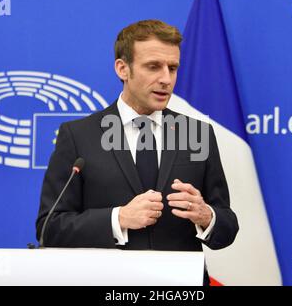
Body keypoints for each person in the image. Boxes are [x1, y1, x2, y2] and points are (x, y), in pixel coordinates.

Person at [36, 19, 239, 284]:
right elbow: (49, 229)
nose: (166, 79)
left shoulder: (197, 134)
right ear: (123, 69)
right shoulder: (78, 136)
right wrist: (118, 218)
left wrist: (206, 216)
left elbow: (227, 226)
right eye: (153, 66)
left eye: (173, 68)